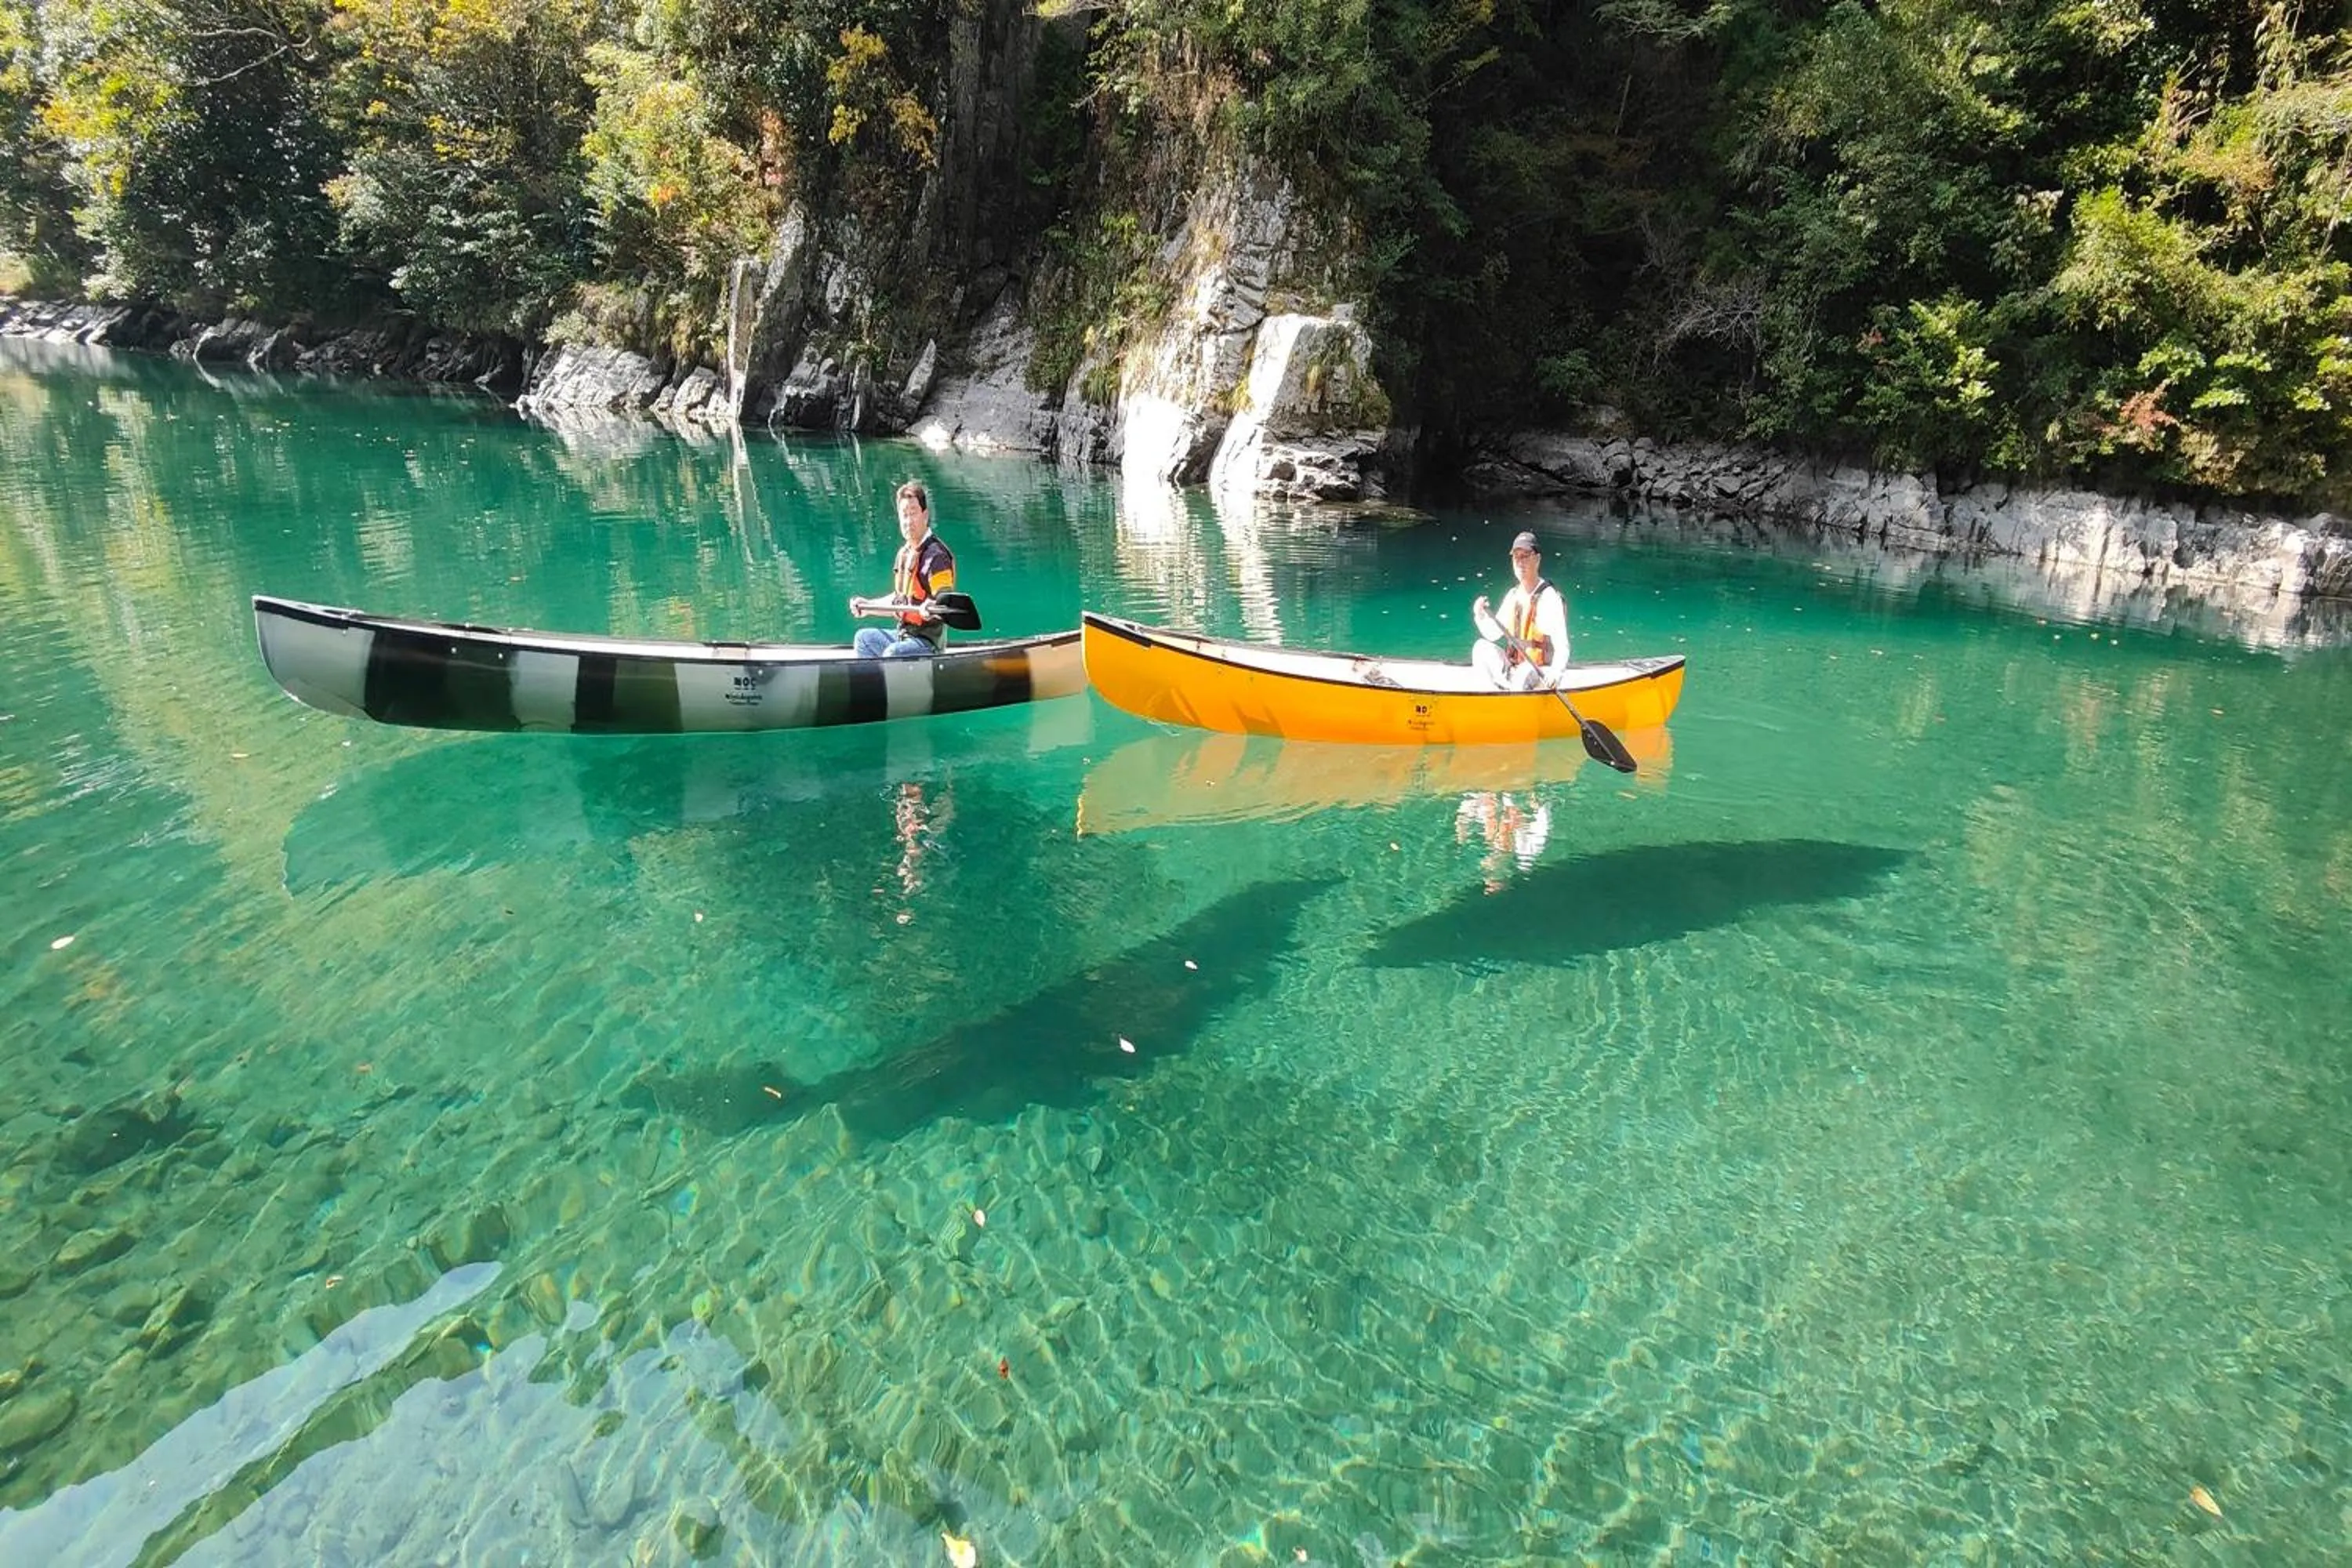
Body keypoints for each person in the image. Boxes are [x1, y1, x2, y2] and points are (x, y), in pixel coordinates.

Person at [851, 480, 956, 657]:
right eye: (904, 515)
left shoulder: (937, 557)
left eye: (913, 513)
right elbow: (898, 600)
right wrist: (868, 606)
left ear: (925, 515)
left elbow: (945, 600)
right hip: (904, 636)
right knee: (863, 639)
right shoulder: (904, 554)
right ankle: (874, 684)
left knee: (893, 653)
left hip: (928, 644)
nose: (908, 521)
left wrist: (930, 607)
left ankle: (892, 681)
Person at [1470, 530, 1570, 690]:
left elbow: (1562, 645)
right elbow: (1493, 634)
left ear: (1537, 559)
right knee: (1481, 648)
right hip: (1516, 666)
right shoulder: (1513, 595)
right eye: (1516, 557)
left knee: (1525, 672)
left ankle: (1513, 699)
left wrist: (1556, 673)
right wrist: (1480, 615)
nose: (1520, 562)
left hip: (1539, 671)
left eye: (1525, 556)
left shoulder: (1549, 597)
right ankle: (1493, 696)